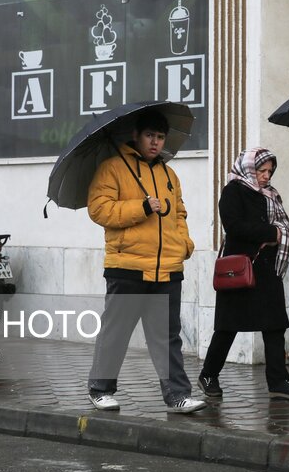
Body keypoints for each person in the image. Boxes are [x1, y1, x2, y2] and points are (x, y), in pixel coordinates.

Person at [85, 108, 206, 414]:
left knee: (167, 338)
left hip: (167, 269)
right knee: (116, 332)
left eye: (160, 137)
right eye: (150, 135)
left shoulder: (169, 174)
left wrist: (184, 246)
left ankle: (177, 395)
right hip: (127, 267)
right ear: (136, 136)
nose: (155, 142)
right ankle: (101, 389)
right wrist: (141, 206)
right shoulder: (112, 168)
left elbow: (179, 214)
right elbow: (99, 209)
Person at [198, 148, 289, 400]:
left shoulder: (271, 194)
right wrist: (271, 233)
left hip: (268, 268)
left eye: (269, 171)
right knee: (228, 326)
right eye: (261, 170)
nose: (266, 176)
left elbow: (281, 223)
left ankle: (278, 381)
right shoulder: (233, 190)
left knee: (275, 325)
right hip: (240, 269)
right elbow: (234, 226)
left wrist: (277, 234)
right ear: (249, 168)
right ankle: (208, 374)